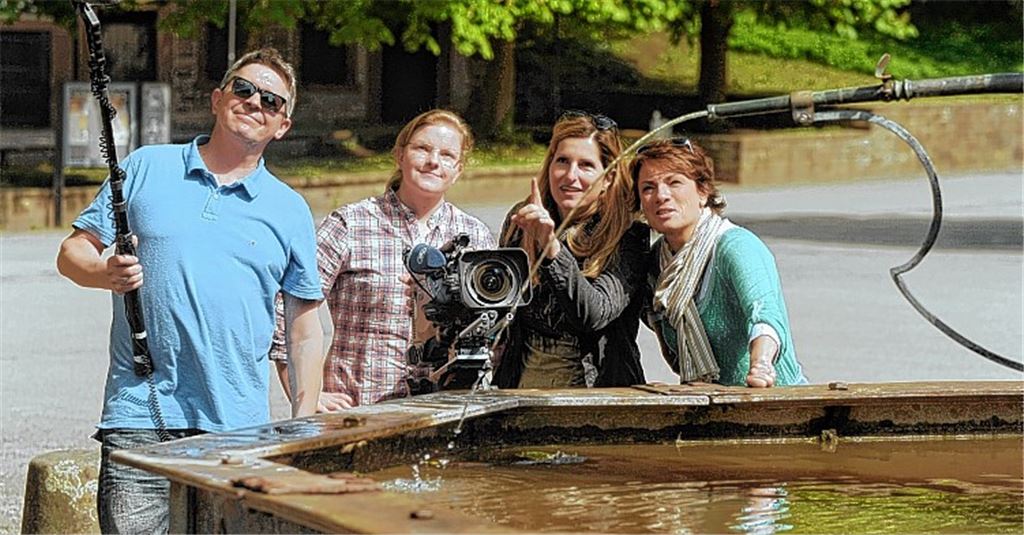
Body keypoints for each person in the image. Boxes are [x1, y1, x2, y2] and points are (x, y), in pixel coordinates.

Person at [55, 48, 325, 533]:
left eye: (271, 100)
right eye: (243, 89)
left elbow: (304, 329)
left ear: (282, 125)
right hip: (139, 416)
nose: (254, 102)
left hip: (240, 427)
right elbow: (72, 252)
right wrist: (104, 274)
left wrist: (302, 422)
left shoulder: (290, 209)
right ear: (218, 99)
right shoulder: (145, 167)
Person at [270, 109, 496, 409]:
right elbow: (289, 306)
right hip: (359, 409)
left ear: (458, 169)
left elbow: (494, 327)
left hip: (447, 408)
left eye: (446, 155)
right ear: (400, 155)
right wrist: (305, 394)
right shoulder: (351, 223)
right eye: (422, 149)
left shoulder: (474, 235)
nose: (433, 162)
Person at [632, 138, 807, 387]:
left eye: (674, 183)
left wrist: (761, 364)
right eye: (648, 188)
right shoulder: (656, 266)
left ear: (702, 192)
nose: (661, 196)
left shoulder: (736, 247)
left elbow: (765, 314)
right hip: (707, 406)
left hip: (773, 401)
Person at [493, 111, 650, 389]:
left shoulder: (628, 235)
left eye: (586, 165)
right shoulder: (522, 220)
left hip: (595, 397)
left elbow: (593, 314)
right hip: (521, 390)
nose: (570, 175)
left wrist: (553, 250)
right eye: (562, 161)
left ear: (609, 177)